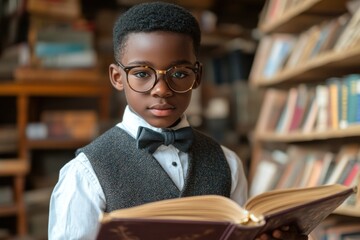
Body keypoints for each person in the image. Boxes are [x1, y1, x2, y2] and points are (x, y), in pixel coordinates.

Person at [48, 2, 308, 240]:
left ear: (197, 76)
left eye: (180, 73)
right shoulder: (84, 173)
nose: (161, 89)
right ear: (117, 78)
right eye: (141, 73)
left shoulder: (227, 163)